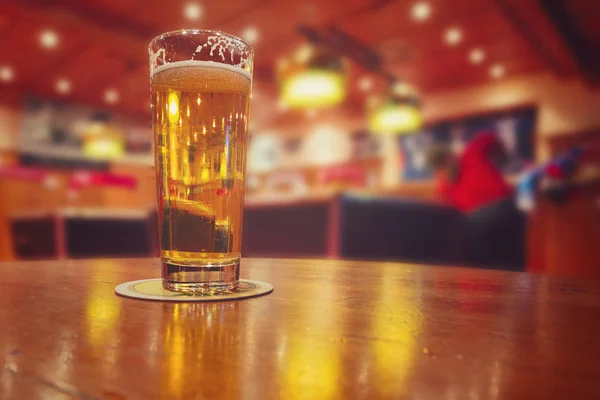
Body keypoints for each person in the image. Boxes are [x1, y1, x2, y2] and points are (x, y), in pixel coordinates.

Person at [427, 131, 525, 270]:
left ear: (453, 156)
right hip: (479, 227)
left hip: (505, 208)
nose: (445, 170)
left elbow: (490, 137)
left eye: (447, 161)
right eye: (440, 168)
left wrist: (502, 158)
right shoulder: (444, 186)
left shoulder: (471, 154)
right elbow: (441, 212)